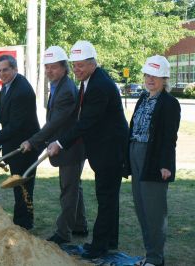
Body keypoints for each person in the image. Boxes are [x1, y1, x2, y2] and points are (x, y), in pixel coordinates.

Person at [47, 40, 129, 259]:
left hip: (110, 151)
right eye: (74, 65)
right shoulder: (89, 81)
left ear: (93, 63)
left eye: (81, 65)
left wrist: (60, 143)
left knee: (105, 197)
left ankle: (99, 247)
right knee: (108, 198)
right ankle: (110, 240)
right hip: (103, 149)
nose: (77, 70)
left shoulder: (100, 85)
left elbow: (86, 122)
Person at [21, 46, 87, 244]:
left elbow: (56, 122)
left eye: (54, 67)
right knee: (74, 187)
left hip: (70, 147)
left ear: (64, 68)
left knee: (69, 189)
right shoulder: (58, 85)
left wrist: (34, 142)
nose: (50, 71)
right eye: (47, 67)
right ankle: (80, 225)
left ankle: (63, 232)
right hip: (67, 145)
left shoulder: (66, 90)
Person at [130, 55, 180, 266]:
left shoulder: (170, 103)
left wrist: (166, 164)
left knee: (154, 211)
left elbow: (169, 137)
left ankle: (155, 258)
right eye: (148, 75)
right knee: (141, 208)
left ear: (164, 79)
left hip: (153, 158)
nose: (151, 79)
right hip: (135, 153)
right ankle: (149, 254)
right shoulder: (143, 97)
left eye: (156, 76)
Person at [0, 54, 40, 230]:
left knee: (23, 186)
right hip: (13, 144)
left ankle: (25, 223)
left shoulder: (21, 90)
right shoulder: (7, 85)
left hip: (25, 147)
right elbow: (3, 116)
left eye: (5, 70)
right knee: (17, 184)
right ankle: (19, 221)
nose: (2, 74)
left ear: (15, 69)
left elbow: (15, 126)